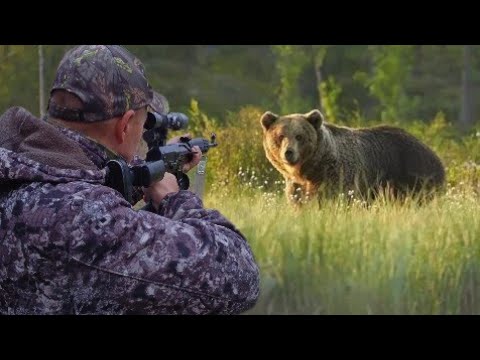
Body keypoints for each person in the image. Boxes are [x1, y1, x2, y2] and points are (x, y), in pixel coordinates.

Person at [0, 45, 260, 315]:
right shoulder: (83, 218)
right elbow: (239, 276)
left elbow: (81, 174)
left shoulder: (19, 167)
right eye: (143, 122)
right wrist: (175, 199)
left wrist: (150, 169)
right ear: (124, 126)